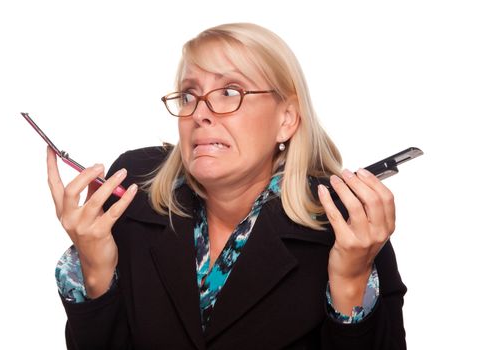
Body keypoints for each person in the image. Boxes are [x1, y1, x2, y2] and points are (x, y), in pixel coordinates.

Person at [48, 23, 407, 349]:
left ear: (287, 120)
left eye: (229, 92)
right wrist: (95, 271)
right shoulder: (133, 191)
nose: (200, 112)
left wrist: (350, 280)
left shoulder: (347, 228)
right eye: (189, 95)